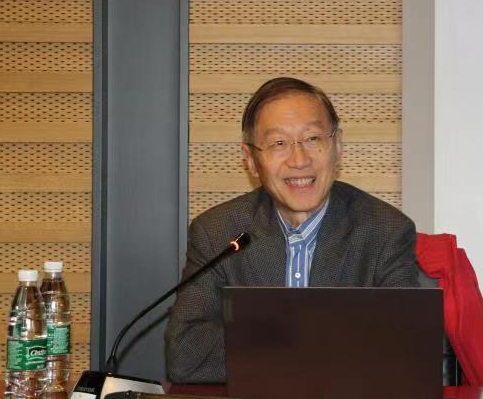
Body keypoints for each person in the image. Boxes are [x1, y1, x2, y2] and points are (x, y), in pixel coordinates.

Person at [165, 77, 419, 383]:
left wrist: (263, 339)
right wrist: (313, 336)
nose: (299, 160)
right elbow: (186, 356)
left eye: (312, 139)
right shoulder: (217, 232)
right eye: (278, 144)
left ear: (337, 145)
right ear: (250, 159)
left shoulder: (385, 231)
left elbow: (404, 352)